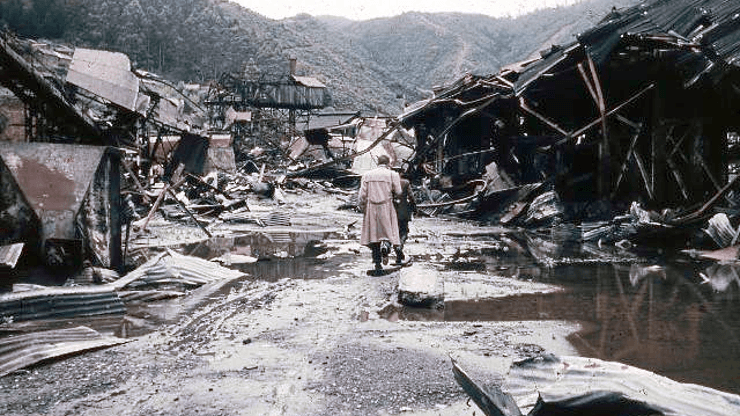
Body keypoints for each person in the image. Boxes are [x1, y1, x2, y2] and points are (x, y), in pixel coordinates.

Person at [358, 155, 401, 271]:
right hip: (387, 205)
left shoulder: (367, 175)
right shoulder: (393, 174)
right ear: (388, 163)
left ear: (378, 162)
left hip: (371, 206)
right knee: (388, 231)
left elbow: (362, 194)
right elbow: (398, 191)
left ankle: (377, 261)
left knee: (373, 234)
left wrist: (362, 206)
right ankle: (386, 247)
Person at [392, 164, 416, 265]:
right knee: (404, 231)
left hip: (392, 212)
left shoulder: (390, 183)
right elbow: (411, 197)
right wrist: (415, 208)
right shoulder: (406, 183)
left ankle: (399, 255)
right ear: (401, 172)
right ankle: (399, 247)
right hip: (404, 211)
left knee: (394, 233)